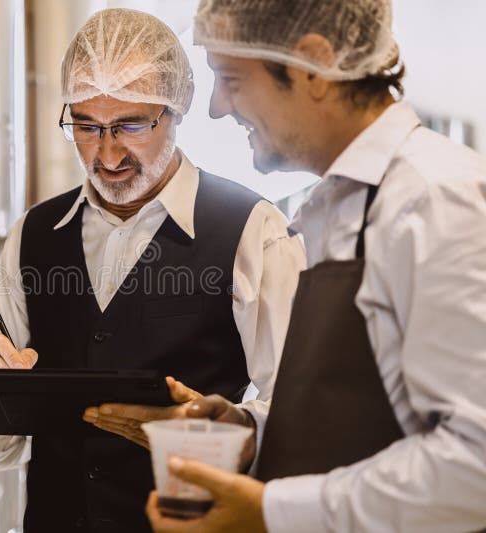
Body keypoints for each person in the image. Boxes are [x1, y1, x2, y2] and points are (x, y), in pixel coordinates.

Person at [0, 8, 305, 532]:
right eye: (87, 125)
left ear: (176, 109)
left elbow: (302, 419)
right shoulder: (33, 235)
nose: (108, 152)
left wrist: (223, 433)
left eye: (131, 124)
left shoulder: (253, 230)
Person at [138, 1, 486, 532]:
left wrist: (270, 512)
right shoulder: (340, 206)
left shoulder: (436, 200)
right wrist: (253, 428)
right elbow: (371, 417)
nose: (215, 107)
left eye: (230, 78)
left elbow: (474, 464)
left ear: (312, 65)